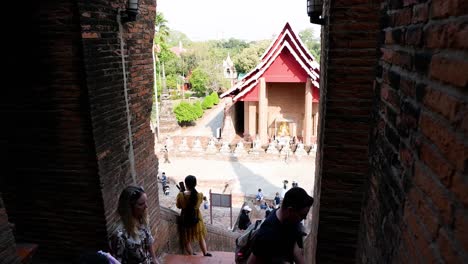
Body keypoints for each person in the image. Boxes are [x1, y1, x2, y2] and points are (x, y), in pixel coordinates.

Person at [247, 187, 314, 264]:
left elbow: (294, 247)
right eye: (302, 215)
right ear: (290, 210)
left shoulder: (290, 221)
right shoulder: (266, 234)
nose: (304, 218)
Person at [110, 186, 160, 264]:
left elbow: (149, 241)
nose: (146, 206)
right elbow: (117, 261)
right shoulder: (119, 235)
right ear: (129, 207)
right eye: (141, 204)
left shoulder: (142, 219)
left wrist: (154, 259)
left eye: (146, 202)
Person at [176, 175, 212, 256]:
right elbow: (197, 205)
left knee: (187, 240)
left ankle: (191, 255)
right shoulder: (199, 195)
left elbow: (178, 206)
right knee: (200, 236)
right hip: (196, 219)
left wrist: (181, 192)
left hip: (185, 219)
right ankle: (205, 252)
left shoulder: (181, 195)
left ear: (185, 184)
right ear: (195, 184)